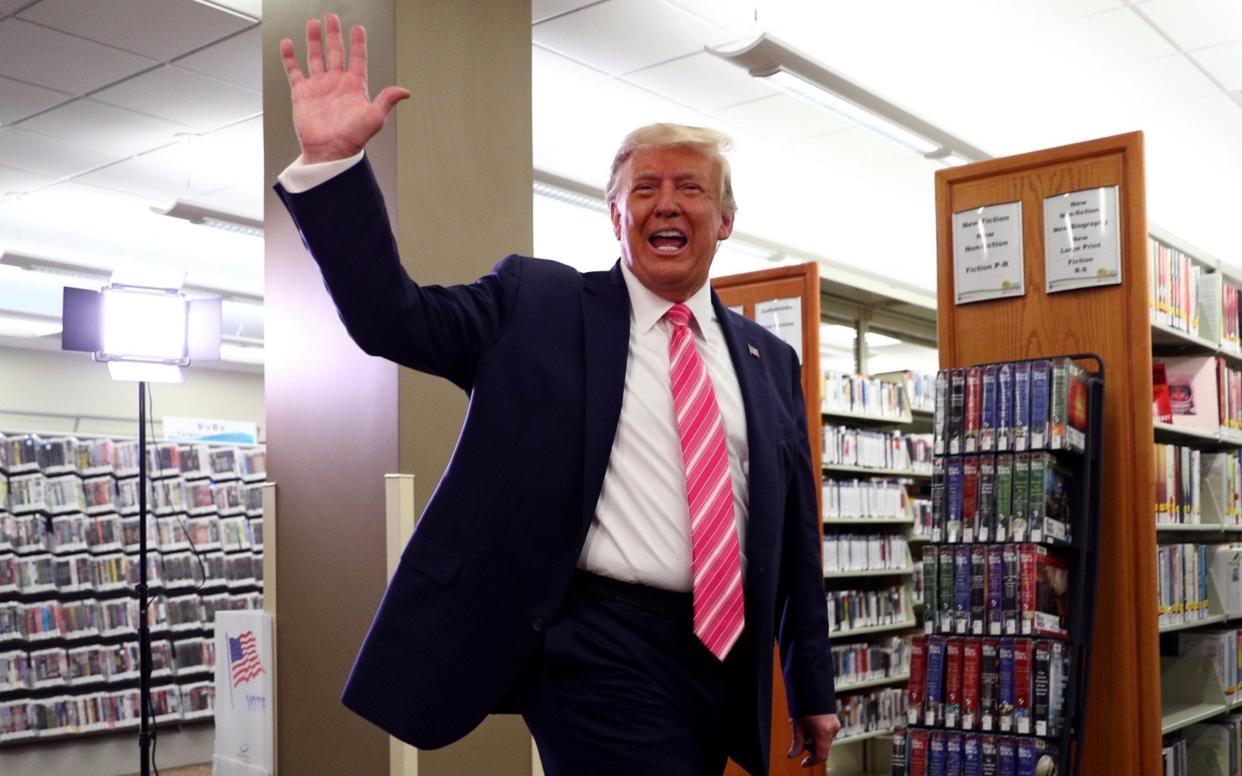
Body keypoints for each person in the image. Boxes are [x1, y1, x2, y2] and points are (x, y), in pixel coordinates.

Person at [275, 13, 840, 775]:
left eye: (691, 189)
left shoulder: (768, 360)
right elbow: (393, 319)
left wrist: (812, 686)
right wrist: (334, 170)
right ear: (616, 215)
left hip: (720, 657)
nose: (666, 204)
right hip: (594, 645)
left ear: (727, 219)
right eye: (645, 189)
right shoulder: (535, 304)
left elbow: (794, 537)